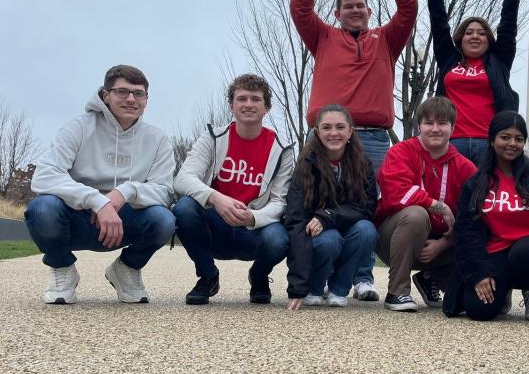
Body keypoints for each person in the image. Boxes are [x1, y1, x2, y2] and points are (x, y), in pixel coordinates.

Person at [290, 0, 417, 302]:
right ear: (338, 13)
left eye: (360, 6)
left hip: (374, 137)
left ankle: (363, 277)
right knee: (318, 201)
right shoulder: (323, 37)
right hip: (324, 136)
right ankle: (322, 273)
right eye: (348, 7)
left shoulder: (387, 40)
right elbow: (299, 4)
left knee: (368, 206)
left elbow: (408, 6)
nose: (355, 11)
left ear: (369, 10)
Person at [25, 65, 175, 304]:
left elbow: (164, 190)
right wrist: (97, 201)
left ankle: (126, 269)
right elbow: (44, 175)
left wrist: (124, 192)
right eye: (122, 92)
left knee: (163, 219)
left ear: (146, 99)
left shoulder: (157, 139)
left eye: (139, 93)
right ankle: (62, 268)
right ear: (105, 95)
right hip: (77, 217)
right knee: (42, 208)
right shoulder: (78, 127)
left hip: (123, 221)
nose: (131, 99)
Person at [173, 74, 292, 305]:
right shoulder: (212, 137)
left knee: (279, 239)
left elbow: (280, 201)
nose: (248, 104)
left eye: (255, 99)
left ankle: (258, 277)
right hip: (216, 224)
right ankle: (207, 276)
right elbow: (183, 178)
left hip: (254, 227)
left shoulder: (282, 148)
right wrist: (216, 198)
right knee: (184, 208)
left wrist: (253, 217)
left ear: (266, 107)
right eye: (242, 99)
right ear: (232, 105)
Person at [451, 111, 529, 322]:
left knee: (527, 252)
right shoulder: (476, 182)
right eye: (505, 137)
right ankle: (503, 290)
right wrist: (479, 273)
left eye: (519, 139)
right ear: (492, 140)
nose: (512, 144)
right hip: (495, 251)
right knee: (479, 311)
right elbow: (466, 231)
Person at [374, 97, 477, 312]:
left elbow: (474, 214)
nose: (435, 129)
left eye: (442, 123)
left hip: (442, 245)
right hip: (394, 238)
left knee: (480, 229)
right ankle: (397, 292)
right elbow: (395, 192)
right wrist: (438, 206)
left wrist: (444, 243)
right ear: (419, 125)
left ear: (453, 127)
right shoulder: (400, 152)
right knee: (416, 215)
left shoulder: (465, 167)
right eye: (429, 123)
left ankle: (431, 277)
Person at [425, 0, 522, 164]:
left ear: (489, 39)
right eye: (469, 33)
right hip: (451, 143)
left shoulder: (499, 61)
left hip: (488, 144)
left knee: (483, 197)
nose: (475, 36)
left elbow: (508, 27)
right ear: (460, 39)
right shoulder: (449, 60)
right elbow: (439, 25)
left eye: (481, 33)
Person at [281, 104, 378, 310]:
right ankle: (314, 288)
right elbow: (295, 220)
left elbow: (366, 208)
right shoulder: (306, 164)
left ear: (350, 131)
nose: (334, 133)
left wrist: (327, 215)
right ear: (317, 132)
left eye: (340, 127)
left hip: (349, 229)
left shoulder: (363, 163)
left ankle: (339, 289)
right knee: (330, 239)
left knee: (367, 230)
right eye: (326, 127)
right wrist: (297, 287)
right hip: (317, 238)